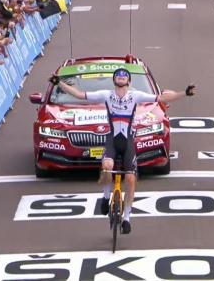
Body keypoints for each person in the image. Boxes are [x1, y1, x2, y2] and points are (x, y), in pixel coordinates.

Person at [50, 68, 196, 234]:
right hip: (112, 139)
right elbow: (79, 95)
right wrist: (59, 83)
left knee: (130, 179)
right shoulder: (106, 94)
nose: (120, 78)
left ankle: (127, 218)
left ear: (129, 81)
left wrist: (184, 93)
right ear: (114, 80)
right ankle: (105, 198)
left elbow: (162, 98)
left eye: (124, 76)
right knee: (106, 165)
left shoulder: (136, 96)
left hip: (127, 142)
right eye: (118, 76)